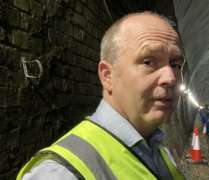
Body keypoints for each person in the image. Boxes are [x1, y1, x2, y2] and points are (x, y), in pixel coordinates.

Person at [17, 11, 184, 180]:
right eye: (148, 62)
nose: (170, 78)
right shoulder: (60, 173)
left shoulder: (159, 150)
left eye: (175, 64)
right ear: (107, 76)